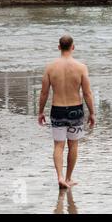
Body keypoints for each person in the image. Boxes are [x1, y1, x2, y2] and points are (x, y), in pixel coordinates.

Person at [38, 35, 96, 189]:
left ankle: (60, 177)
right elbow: (87, 93)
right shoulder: (81, 67)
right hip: (75, 110)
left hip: (57, 109)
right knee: (73, 145)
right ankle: (69, 178)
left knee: (58, 145)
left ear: (59, 47)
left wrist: (40, 112)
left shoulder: (50, 67)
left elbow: (44, 93)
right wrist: (92, 113)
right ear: (73, 47)